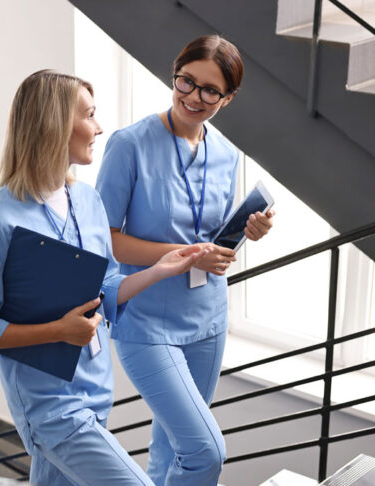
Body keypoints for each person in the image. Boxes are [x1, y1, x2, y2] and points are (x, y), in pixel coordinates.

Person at [0, 70, 211, 486]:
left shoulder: (88, 200)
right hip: (49, 408)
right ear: (54, 125)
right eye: (90, 115)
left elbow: (105, 290)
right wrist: (57, 330)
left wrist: (158, 271)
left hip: (95, 393)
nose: (99, 127)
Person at [96, 35, 275, 486]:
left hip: (208, 317)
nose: (193, 96)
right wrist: (182, 255)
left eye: (210, 90)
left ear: (228, 98)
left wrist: (247, 233)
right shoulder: (129, 145)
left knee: (172, 447)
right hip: (145, 320)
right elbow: (104, 240)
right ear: (174, 75)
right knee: (204, 451)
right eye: (186, 81)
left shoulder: (228, 156)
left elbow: (213, 238)